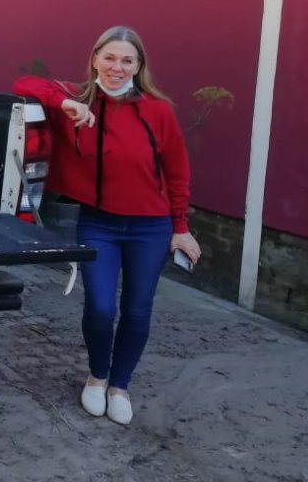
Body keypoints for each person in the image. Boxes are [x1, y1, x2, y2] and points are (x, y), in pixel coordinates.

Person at [13, 26, 200, 426]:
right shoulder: (77, 101)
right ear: (95, 58)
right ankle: (97, 377)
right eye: (110, 57)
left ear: (139, 66)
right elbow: (23, 82)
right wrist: (64, 103)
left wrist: (180, 227)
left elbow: (178, 172)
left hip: (151, 226)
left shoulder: (158, 110)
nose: (117, 67)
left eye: (127, 60)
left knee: (137, 310)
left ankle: (120, 385)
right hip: (99, 222)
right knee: (100, 306)